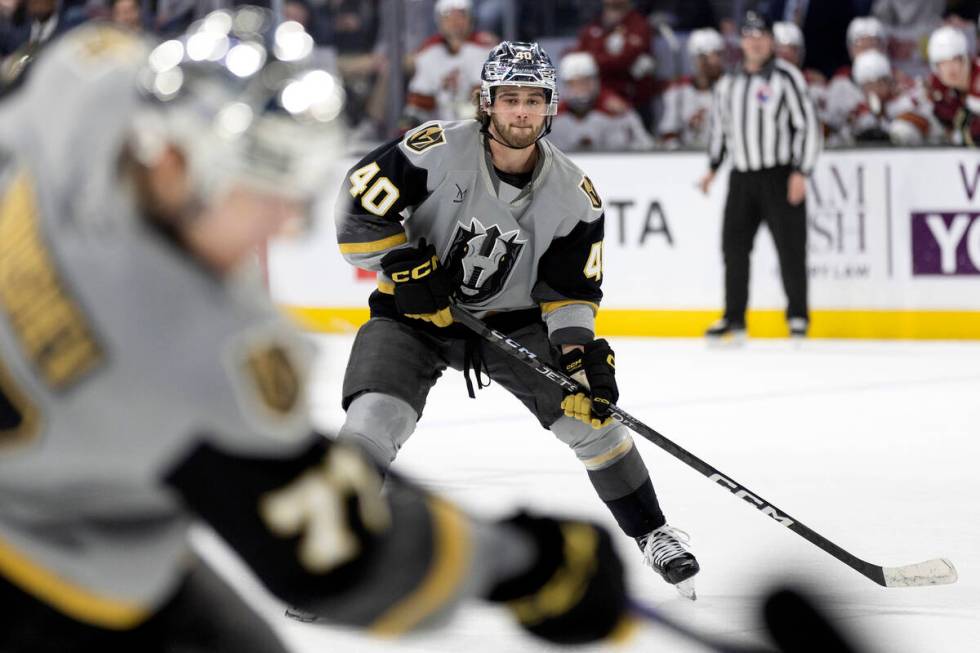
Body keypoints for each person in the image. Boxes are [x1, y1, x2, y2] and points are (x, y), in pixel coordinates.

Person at [0, 12, 635, 651]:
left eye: (293, 190)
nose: (283, 224)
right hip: (41, 568)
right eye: (260, 190)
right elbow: (336, 559)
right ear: (173, 160)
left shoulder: (84, 78)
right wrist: (522, 563)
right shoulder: (199, 360)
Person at [334, 40, 701, 599]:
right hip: (411, 318)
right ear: (487, 102)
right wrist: (401, 264)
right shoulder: (432, 149)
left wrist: (579, 357)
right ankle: (336, 556)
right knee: (371, 421)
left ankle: (654, 533)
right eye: (511, 99)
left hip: (513, 324)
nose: (522, 111)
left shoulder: (575, 196)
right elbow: (356, 210)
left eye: (534, 99)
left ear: (551, 106)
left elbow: (570, 293)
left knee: (593, 421)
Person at [698, 11, 821, 341]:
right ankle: (734, 317)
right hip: (742, 177)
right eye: (748, 36)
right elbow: (720, 131)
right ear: (741, 42)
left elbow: (807, 126)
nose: (754, 42)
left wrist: (801, 171)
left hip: (780, 174)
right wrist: (712, 168)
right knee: (733, 248)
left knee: (790, 247)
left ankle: (798, 316)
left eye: (760, 35)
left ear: (770, 40)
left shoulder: (787, 77)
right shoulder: (728, 84)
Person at [403, 0, 496, 127]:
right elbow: (419, 104)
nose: (455, 23)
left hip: (476, 128)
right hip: (439, 130)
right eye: (449, 17)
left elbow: (484, 101)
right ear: (439, 22)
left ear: (471, 19)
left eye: (461, 15)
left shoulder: (485, 50)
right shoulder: (429, 53)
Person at [573, 0, 656, 129]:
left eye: (616, 6)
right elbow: (577, 57)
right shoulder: (594, 25)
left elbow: (623, 61)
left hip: (631, 99)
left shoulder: (639, 25)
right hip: (597, 97)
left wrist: (593, 59)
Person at [549, 50, 654, 151]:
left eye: (586, 82)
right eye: (575, 83)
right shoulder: (553, 118)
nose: (581, 88)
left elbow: (644, 144)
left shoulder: (618, 111)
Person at [840, 49, 938, 145]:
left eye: (880, 82)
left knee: (901, 129)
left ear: (889, 81)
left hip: (921, 150)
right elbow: (846, 135)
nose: (875, 89)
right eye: (869, 85)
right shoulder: (859, 110)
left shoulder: (906, 98)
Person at [657, 27, 725, 149]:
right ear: (697, 58)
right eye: (711, 56)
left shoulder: (729, 89)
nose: (716, 61)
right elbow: (668, 133)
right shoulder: (678, 92)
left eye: (718, 55)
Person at [925, 24, 980, 145]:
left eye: (955, 59)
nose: (950, 69)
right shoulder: (937, 84)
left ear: (965, 59)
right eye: (943, 63)